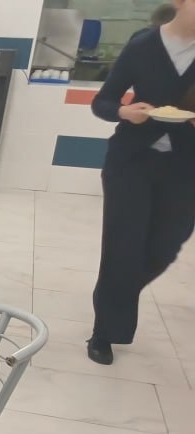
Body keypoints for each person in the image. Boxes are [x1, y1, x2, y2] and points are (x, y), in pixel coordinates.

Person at [88, 0, 195, 365]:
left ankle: (115, 295)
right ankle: (104, 331)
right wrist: (124, 112)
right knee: (122, 248)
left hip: (185, 167)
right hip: (131, 162)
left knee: (165, 247)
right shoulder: (143, 45)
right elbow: (103, 102)